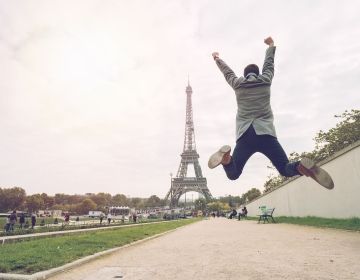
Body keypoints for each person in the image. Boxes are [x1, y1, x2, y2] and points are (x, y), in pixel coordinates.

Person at [208, 36, 334, 190]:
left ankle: (226, 159)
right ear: (257, 72)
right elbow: (269, 64)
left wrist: (217, 59)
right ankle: (300, 166)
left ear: (245, 74)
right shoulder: (265, 79)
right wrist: (271, 45)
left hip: (245, 135)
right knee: (285, 168)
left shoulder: (237, 83)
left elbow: (227, 73)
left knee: (233, 174)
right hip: (266, 134)